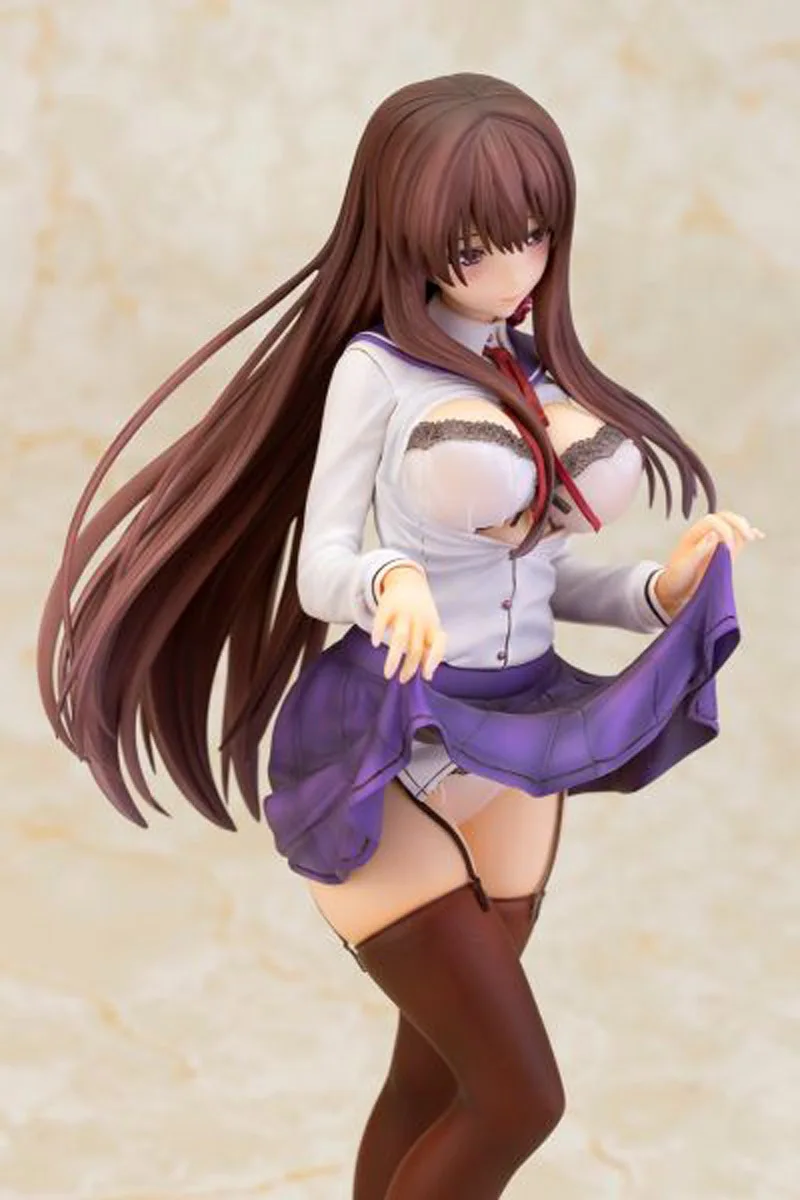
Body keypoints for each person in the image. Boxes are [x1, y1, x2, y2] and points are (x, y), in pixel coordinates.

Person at [37, 74, 762, 1199]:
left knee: (432, 1083)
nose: (511, 268)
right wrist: (389, 580)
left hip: (518, 742)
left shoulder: (531, 373)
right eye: (475, 244)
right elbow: (321, 563)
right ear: (410, 233)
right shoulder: (375, 373)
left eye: (532, 234)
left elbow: (541, 577)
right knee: (520, 1098)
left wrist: (655, 594)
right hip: (387, 744)